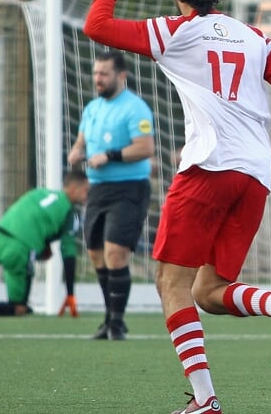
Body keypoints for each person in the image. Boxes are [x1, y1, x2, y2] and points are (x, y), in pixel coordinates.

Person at [83, 0, 271, 413]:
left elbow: (97, 26)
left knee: (170, 282)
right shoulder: (252, 37)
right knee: (207, 292)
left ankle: (206, 401)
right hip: (254, 176)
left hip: (208, 169)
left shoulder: (176, 32)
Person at [67, 50, 155, 340]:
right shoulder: (92, 108)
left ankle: (116, 323)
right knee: (95, 254)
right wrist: (77, 152)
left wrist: (110, 156)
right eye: (96, 73)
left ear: (121, 76)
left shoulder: (135, 108)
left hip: (129, 188)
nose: (98, 79)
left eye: (104, 74)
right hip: (97, 190)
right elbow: (82, 141)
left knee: (115, 254)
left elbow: (145, 148)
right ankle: (110, 318)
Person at [0, 171, 90, 318]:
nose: (88, 195)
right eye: (86, 191)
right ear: (74, 188)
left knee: (21, 301)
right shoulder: (71, 213)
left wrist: (43, 245)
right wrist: (70, 294)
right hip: (18, 250)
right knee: (20, 310)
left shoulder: (40, 193)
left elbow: (31, 217)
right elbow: (68, 253)